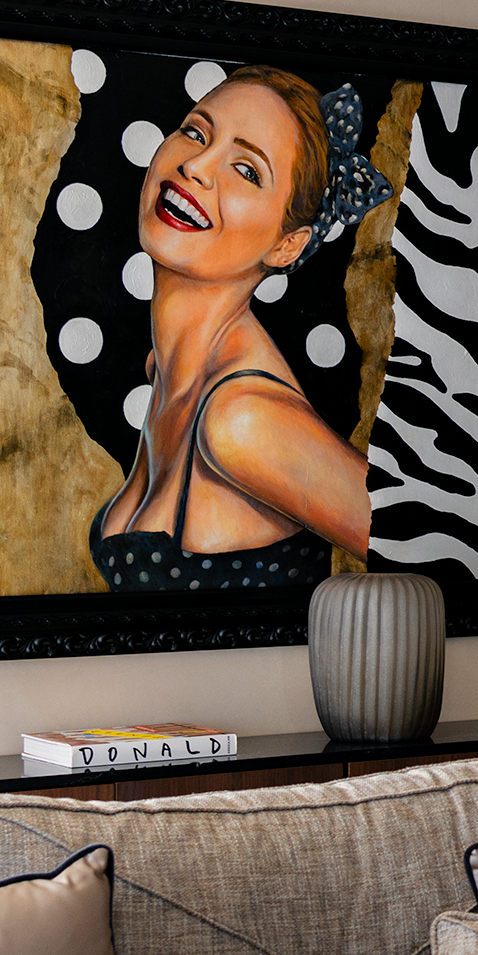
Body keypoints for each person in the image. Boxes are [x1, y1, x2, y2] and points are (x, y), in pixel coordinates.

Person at [90, 65, 388, 591]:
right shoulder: (166, 368)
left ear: (286, 245)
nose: (197, 166)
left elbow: (423, 546)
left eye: (247, 171)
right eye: (195, 132)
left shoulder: (243, 420)